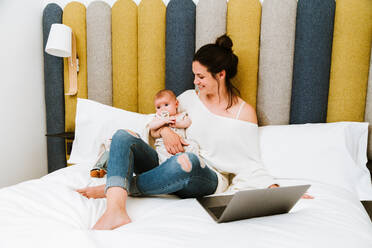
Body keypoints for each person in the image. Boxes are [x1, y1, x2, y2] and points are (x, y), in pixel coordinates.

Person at [76, 34, 312, 230]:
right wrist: (166, 132)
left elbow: (250, 163)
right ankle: (115, 210)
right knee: (121, 136)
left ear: (221, 74)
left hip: (204, 177)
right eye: (194, 75)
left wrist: (277, 192)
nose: (195, 81)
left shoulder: (243, 113)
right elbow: (160, 121)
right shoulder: (188, 98)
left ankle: (119, 186)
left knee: (185, 161)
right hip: (164, 162)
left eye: (201, 76)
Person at [149, 89, 200, 163]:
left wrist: (178, 124)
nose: (163, 109)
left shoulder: (180, 115)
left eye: (166, 105)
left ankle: (194, 164)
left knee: (193, 145)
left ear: (176, 104)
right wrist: (164, 121)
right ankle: (168, 167)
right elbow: (151, 126)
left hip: (182, 143)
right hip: (164, 145)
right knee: (163, 153)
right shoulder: (159, 118)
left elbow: (188, 122)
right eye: (158, 107)